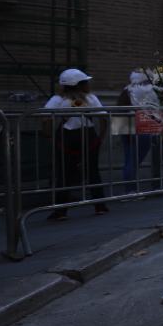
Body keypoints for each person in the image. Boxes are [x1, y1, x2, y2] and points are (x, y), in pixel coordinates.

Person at [43, 68, 109, 220]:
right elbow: (104, 117)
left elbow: (45, 118)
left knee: (64, 173)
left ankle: (61, 211)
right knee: (93, 171)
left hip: (67, 136)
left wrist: (49, 135)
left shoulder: (57, 100)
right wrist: (101, 137)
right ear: (79, 84)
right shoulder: (90, 98)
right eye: (85, 82)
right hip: (88, 135)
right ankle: (100, 205)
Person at [116, 70, 163, 193]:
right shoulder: (150, 90)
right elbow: (157, 108)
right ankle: (131, 190)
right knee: (134, 160)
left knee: (129, 160)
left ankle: (129, 189)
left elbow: (118, 109)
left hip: (124, 126)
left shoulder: (126, 89)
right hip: (143, 127)